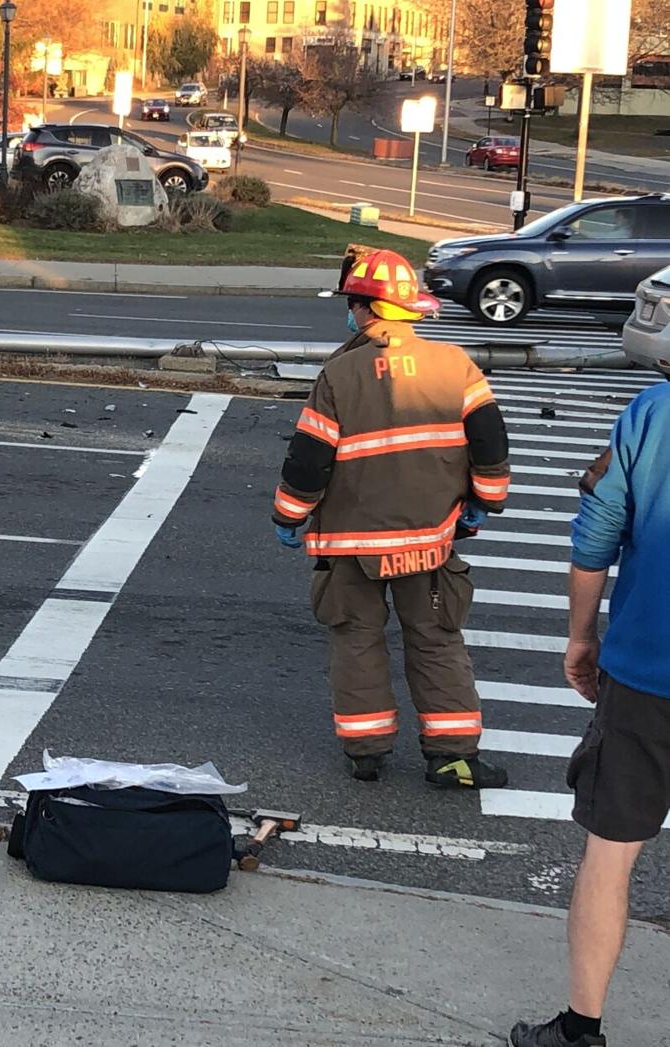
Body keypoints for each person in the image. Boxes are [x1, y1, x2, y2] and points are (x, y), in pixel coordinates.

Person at [271, 248, 511, 789]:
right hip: (428, 542)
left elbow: (309, 461)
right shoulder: (455, 366)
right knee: (436, 640)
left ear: (363, 308)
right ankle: (452, 758)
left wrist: (288, 514)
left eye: (353, 304)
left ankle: (367, 754)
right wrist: (482, 505)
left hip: (351, 546)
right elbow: (491, 444)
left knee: (356, 639)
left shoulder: (339, 374)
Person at [509, 385, 670, 1047]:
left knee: (610, 851)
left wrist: (581, 636)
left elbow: (597, 531)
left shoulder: (655, 411)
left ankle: (579, 1031)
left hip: (645, 670)